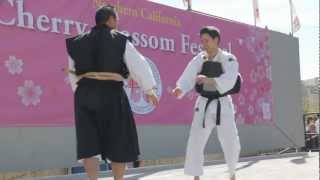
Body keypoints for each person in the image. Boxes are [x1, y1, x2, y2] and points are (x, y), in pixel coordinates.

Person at [65, 5, 159, 180]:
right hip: (112, 93)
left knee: (89, 142)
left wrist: (81, 92)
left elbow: (72, 73)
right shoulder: (120, 39)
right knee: (118, 139)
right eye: (117, 19)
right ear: (111, 20)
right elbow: (138, 64)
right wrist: (149, 89)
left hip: (84, 94)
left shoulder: (77, 42)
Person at [172, 26, 241, 180]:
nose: (203, 44)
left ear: (216, 40)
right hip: (203, 104)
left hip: (223, 104)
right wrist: (180, 88)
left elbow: (230, 80)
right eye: (202, 40)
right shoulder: (200, 58)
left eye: (207, 40)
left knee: (230, 141)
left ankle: (232, 173)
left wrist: (208, 79)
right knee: (195, 140)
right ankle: (196, 176)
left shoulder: (229, 58)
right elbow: (189, 75)